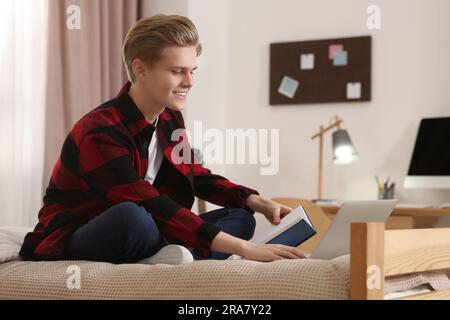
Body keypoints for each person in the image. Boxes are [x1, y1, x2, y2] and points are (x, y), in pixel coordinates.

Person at [19, 14, 305, 265]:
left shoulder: (169, 118)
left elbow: (195, 175)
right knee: (132, 217)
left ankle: (168, 254)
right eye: (177, 71)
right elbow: (147, 202)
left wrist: (257, 201)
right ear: (140, 69)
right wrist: (246, 249)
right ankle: (175, 251)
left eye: (192, 71)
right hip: (85, 232)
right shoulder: (99, 131)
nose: (189, 82)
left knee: (241, 217)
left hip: (151, 223)